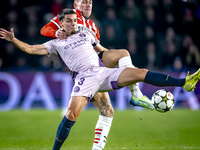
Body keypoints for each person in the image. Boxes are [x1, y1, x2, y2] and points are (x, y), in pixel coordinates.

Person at [0, 9, 199, 150]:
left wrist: (119, 58)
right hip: (84, 79)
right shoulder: (56, 44)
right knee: (71, 115)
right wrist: (13, 39)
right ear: (61, 24)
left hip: (102, 71)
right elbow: (31, 49)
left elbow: (102, 51)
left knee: (140, 72)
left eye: (74, 20)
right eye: (68, 21)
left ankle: (184, 83)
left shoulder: (86, 35)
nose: (73, 23)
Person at [41, 1, 153, 149]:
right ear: (76, 4)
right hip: (83, 73)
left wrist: (125, 65)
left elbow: (98, 52)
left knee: (107, 112)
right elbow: (45, 29)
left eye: (90, 2)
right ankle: (137, 95)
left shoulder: (93, 27)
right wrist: (55, 33)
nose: (88, 4)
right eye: (84, 1)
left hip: (97, 69)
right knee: (76, 114)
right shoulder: (69, 19)